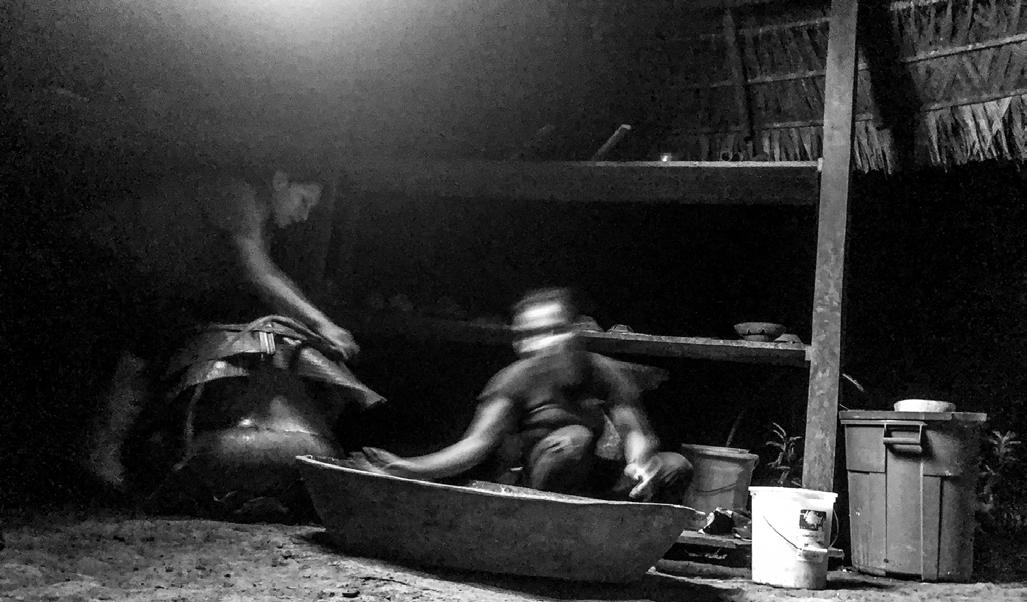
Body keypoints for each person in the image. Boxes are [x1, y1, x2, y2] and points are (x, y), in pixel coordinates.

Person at [81, 167, 380, 491]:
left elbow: (263, 278)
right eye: (303, 200)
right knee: (144, 345)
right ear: (280, 181)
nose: (304, 214)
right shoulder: (235, 195)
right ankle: (101, 458)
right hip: (96, 255)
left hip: (146, 276)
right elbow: (260, 275)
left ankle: (116, 460)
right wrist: (323, 324)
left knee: (163, 339)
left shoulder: (260, 222)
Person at [363, 288, 691, 503]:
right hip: (536, 483)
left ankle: (629, 541)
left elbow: (634, 432)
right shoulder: (514, 380)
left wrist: (639, 464)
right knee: (573, 440)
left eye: (554, 330)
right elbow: (474, 445)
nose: (543, 342)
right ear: (520, 343)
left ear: (573, 331)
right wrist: (410, 469)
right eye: (530, 334)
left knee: (676, 466)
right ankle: (550, 525)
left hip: (595, 478)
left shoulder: (601, 370)